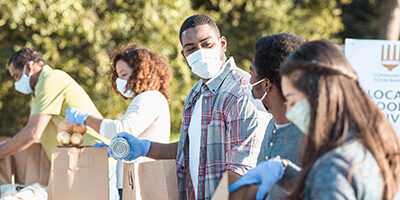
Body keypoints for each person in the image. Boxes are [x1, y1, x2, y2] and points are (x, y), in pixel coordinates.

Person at [107, 14, 268, 200]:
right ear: (184, 55)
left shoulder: (240, 93)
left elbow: (242, 172)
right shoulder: (196, 94)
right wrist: (145, 148)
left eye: (207, 44)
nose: (200, 52)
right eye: (191, 49)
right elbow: (189, 148)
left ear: (222, 43)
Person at [231, 40, 400, 199]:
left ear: (319, 96)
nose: (289, 111)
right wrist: (286, 172)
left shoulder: (334, 166)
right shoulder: (363, 145)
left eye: (293, 101)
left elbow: (331, 182)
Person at [2, 47, 118, 200]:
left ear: (29, 67)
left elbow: (32, 133)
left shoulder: (50, 79)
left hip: (93, 160)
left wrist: (1, 151)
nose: (17, 83)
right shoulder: (37, 91)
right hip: (77, 164)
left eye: (17, 76)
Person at [65, 45, 172, 199]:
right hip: (134, 179)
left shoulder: (149, 98)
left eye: (124, 74)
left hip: (143, 181)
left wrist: (85, 118)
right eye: (118, 75)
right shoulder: (146, 98)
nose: (119, 81)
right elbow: (135, 138)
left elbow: (123, 129)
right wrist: (113, 150)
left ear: (141, 72)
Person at [229, 33, 305, 200]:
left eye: (252, 73)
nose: (249, 82)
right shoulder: (272, 124)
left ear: (265, 85)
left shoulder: (311, 136)